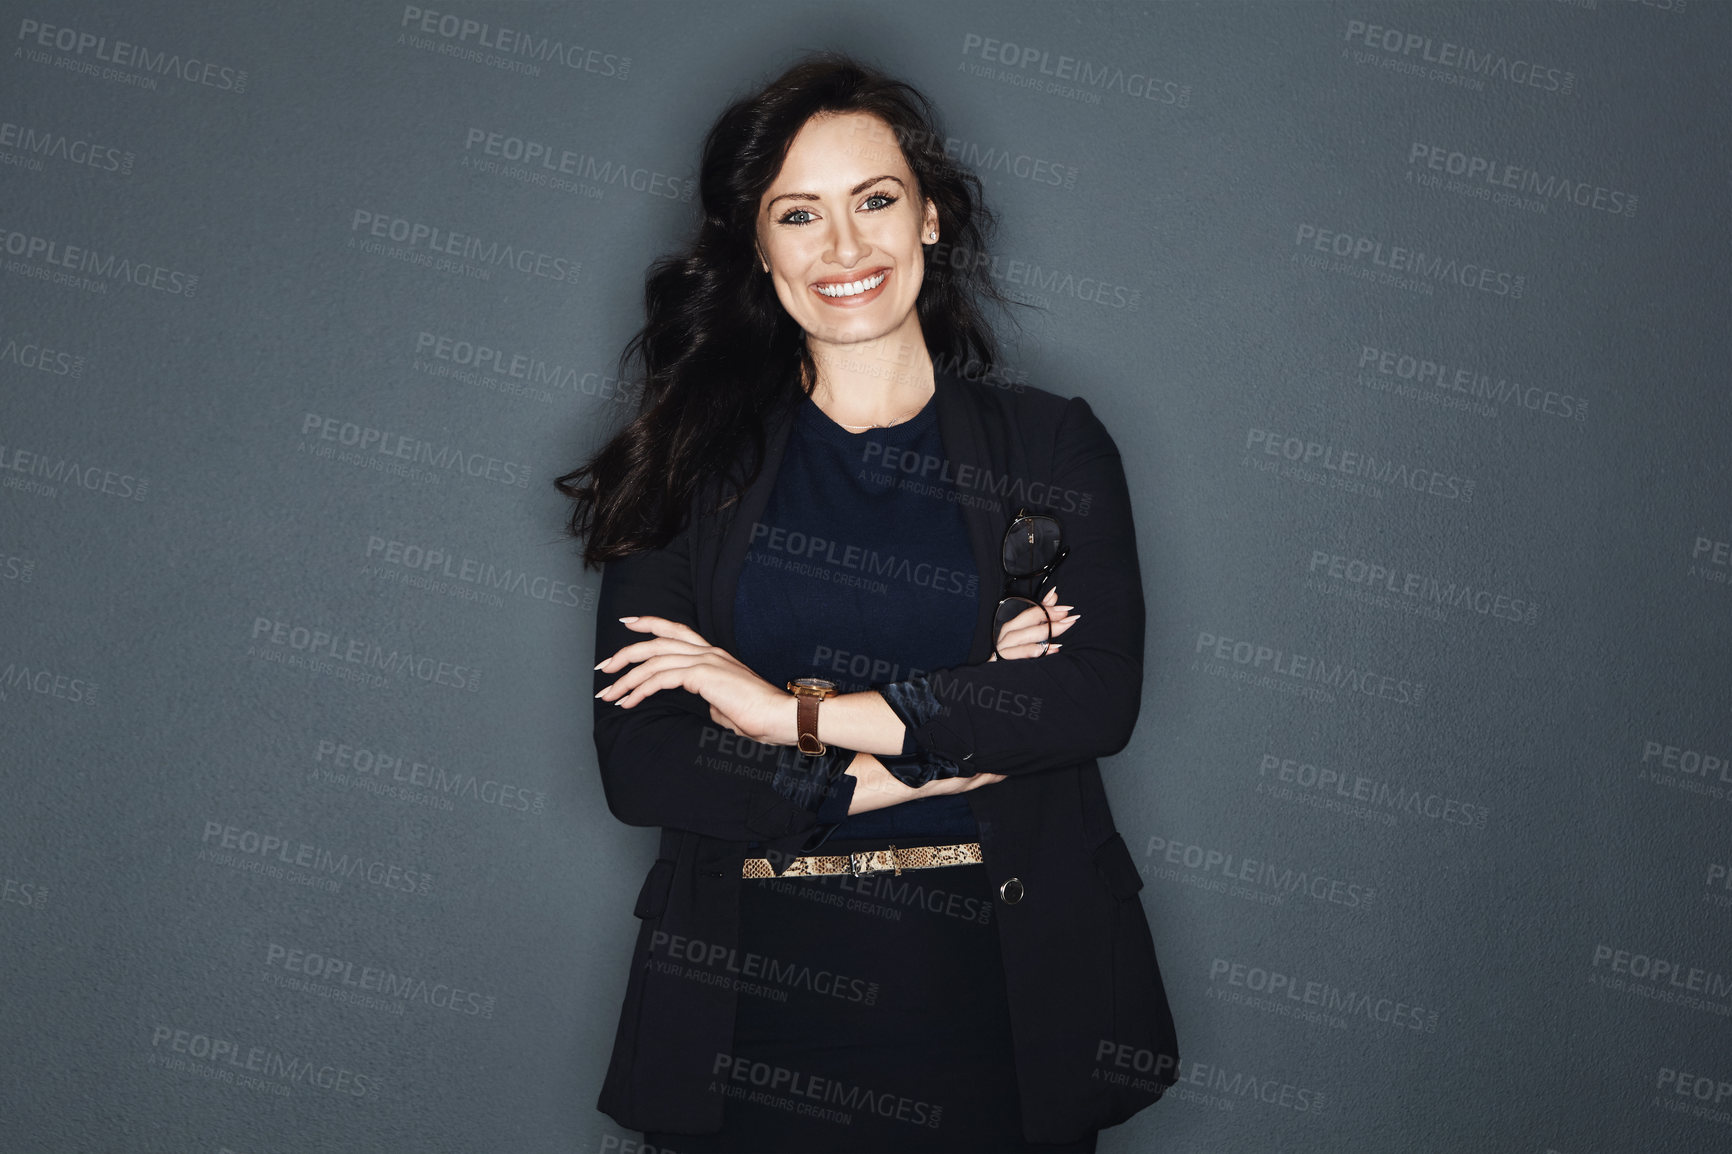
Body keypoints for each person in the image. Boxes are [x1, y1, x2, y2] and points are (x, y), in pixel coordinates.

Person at [556, 52, 1177, 1153]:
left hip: (1000, 999)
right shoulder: (688, 470)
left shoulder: (1046, 446)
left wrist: (782, 714)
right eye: (799, 214)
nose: (844, 249)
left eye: (874, 200)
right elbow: (642, 761)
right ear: (756, 246)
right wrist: (945, 733)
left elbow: (1085, 701)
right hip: (750, 1005)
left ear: (929, 217)